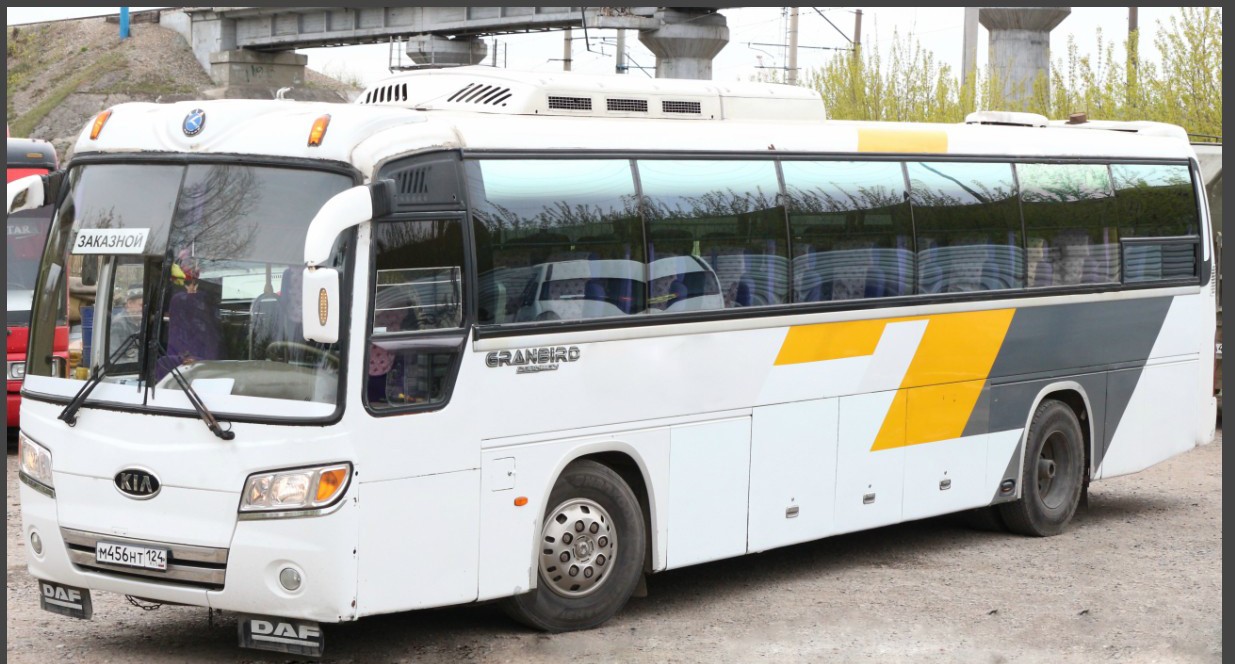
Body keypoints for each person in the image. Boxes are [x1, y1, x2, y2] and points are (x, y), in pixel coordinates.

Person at [157, 261, 223, 380]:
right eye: (187, 284)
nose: (192, 289)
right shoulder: (178, 306)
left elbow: (213, 361)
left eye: (196, 284)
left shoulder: (209, 330)